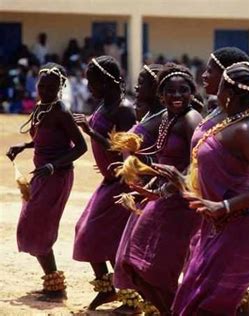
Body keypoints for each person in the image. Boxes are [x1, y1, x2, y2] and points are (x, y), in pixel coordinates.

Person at [172, 61, 249, 315]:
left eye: (220, 87)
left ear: (228, 95)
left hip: (244, 229)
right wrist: (177, 179)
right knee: (193, 301)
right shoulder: (226, 123)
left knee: (207, 307)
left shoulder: (247, 130)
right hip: (219, 227)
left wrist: (224, 205)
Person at [119, 63, 202, 314]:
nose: (177, 96)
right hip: (162, 201)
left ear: (192, 92)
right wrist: (144, 179)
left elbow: (197, 161)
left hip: (181, 204)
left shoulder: (191, 118)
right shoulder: (166, 118)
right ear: (161, 94)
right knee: (134, 265)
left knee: (156, 269)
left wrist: (170, 187)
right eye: (170, 91)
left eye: (183, 90)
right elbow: (157, 156)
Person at [6, 63, 87, 302]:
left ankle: (55, 286)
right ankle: (52, 280)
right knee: (31, 223)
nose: (45, 89)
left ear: (60, 88)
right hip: (41, 174)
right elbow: (44, 139)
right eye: (42, 85)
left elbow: (80, 147)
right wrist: (23, 146)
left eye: (51, 86)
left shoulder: (61, 110)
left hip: (57, 177)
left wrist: (53, 165)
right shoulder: (41, 107)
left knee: (38, 225)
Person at [72, 55, 136, 310]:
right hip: (109, 181)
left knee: (101, 236)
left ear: (107, 82)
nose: (89, 87)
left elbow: (128, 147)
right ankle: (108, 289)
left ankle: (129, 296)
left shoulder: (124, 109)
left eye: (93, 82)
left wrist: (90, 132)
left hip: (123, 183)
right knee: (86, 231)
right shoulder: (103, 106)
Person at [112, 64, 165, 314]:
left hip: (151, 195)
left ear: (155, 89)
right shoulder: (148, 116)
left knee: (147, 256)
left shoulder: (162, 119)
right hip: (140, 193)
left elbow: (160, 160)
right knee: (134, 254)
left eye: (142, 82)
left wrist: (141, 182)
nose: (136, 86)